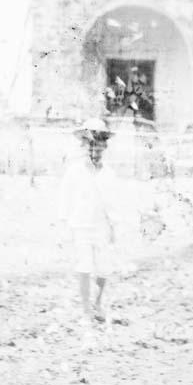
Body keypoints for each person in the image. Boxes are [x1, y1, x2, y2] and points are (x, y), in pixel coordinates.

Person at [58, 118, 119, 328]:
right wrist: (64, 224)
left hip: (101, 226)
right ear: (84, 145)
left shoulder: (109, 174)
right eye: (91, 143)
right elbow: (65, 199)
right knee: (83, 266)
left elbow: (112, 202)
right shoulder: (75, 171)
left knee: (103, 268)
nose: (95, 148)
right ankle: (86, 311)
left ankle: (98, 303)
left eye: (99, 144)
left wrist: (113, 226)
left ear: (105, 146)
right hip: (81, 225)